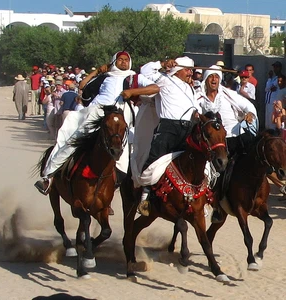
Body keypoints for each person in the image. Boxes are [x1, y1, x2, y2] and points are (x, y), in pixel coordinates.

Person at [34, 51, 159, 195]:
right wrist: (97, 72)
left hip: (120, 117)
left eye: (126, 60)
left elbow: (155, 88)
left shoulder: (135, 77)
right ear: (113, 62)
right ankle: (48, 178)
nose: (123, 62)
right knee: (72, 142)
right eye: (120, 60)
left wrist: (132, 92)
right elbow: (82, 86)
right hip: (96, 113)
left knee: (126, 158)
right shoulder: (105, 77)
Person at [136, 56, 202, 216]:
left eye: (191, 71)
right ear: (177, 71)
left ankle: (196, 198)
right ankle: (145, 197)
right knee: (154, 161)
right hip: (169, 128)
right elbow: (144, 71)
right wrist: (162, 64)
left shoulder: (191, 88)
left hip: (189, 129)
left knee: (195, 162)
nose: (190, 74)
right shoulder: (164, 79)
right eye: (187, 70)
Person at [196, 65, 257, 222]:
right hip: (214, 142)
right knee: (215, 173)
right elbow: (193, 111)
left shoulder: (227, 94)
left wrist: (249, 114)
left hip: (234, 134)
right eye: (211, 76)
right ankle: (216, 206)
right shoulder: (198, 97)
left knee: (256, 158)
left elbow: (247, 105)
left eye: (217, 76)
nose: (214, 79)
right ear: (206, 79)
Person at [265, 61, 284, 129]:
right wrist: (270, 77)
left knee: (272, 119)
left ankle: (272, 132)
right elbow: (267, 88)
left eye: (277, 67)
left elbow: (272, 88)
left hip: (274, 101)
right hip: (268, 101)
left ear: (280, 68)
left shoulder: (281, 78)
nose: (275, 69)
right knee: (267, 119)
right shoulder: (273, 78)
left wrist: (270, 87)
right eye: (274, 67)